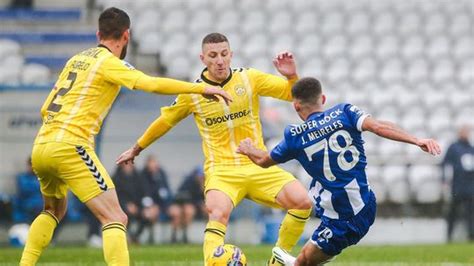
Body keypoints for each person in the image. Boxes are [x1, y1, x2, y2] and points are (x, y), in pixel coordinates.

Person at [19, 7, 231, 266]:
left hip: (41, 144)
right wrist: (200, 87)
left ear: (98, 33)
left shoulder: (75, 59)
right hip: (70, 145)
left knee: (53, 210)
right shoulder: (110, 63)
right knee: (115, 218)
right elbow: (151, 84)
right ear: (126, 35)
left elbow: (46, 106)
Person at [116, 32, 312, 265]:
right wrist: (137, 148)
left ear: (231, 55)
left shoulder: (250, 78)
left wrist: (292, 76)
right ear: (203, 58)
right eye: (213, 55)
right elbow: (165, 122)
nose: (219, 60)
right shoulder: (194, 93)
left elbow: (292, 94)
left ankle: (278, 260)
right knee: (217, 213)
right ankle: (213, 261)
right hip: (222, 170)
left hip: (259, 164)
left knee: (303, 202)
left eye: (223, 54)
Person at [236, 77, 441, 265]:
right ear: (323, 98)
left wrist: (248, 149)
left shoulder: (294, 137)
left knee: (302, 262)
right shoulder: (345, 111)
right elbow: (378, 126)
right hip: (365, 201)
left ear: (296, 106)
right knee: (305, 259)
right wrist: (416, 140)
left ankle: (288, 259)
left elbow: (263, 161)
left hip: (345, 219)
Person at [442, 125, 474, 242]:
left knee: (470, 213)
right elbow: (445, 164)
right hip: (457, 186)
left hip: (470, 187)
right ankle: (449, 236)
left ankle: (471, 235)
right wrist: (444, 180)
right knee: (452, 213)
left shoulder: (471, 148)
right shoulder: (454, 147)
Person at [114, 163, 159, 244]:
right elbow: (117, 196)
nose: (129, 166)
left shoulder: (138, 177)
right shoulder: (116, 178)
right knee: (126, 216)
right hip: (122, 207)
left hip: (138, 206)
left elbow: (145, 194)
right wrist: (126, 205)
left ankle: (135, 237)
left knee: (146, 216)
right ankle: (124, 238)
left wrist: (148, 207)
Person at [168, 166, 207, 243]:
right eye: (199, 176)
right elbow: (181, 196)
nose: (201, 178)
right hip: (181, 204)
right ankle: (174, 236)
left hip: (195, 207)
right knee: (178, 212)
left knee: (191, 211)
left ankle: (209, 236)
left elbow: (204, 199)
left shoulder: (205, 184)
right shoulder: (188, 182)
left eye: (202, 176)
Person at [14, 157, 42, 223]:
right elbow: (25, 189)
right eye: (31, 165)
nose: (33, 167)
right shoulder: (22, 177)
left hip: (41, 206)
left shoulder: (42, 177)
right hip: (28, 206)